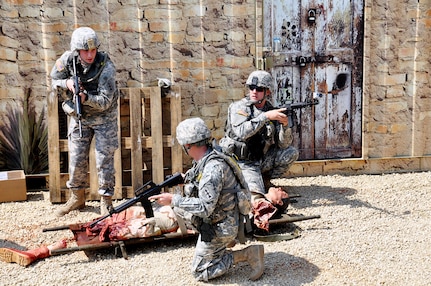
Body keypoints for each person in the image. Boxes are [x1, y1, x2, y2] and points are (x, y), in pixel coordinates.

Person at [149, 117, 264, 282]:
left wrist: (173, 199)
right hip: (224, 215)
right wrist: (184, 178)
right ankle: (219, 247)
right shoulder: (211, 153)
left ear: (187, 146)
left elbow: (204, 208)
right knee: (181, 209)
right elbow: (199, 176)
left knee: (201, 272)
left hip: (222, 225)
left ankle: (246, 254)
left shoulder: (212, 169)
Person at [50, 27, 119, 216]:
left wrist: (85, 98)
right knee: (76, 157)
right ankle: (77, 197)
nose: (90, 55)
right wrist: (68, 84)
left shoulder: (106, 67)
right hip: (79, 117)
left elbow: (105, 102)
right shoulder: (67, 60)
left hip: (104, 117)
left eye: (93, 50)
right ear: (76, 51)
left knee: (104, 159)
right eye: (85, 51)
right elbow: (53, 79)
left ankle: (106, 200)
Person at [219, 70, 299, 217]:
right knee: (255, 198)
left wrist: (285, 126)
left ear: (267, 91)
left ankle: (264, 179)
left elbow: (283, 145)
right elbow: (242, 132)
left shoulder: (271, 110)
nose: (254, 91)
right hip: (239, 161)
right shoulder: (240, 108)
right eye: (251, 87)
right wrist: (265, 117)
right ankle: (252, 184)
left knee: (291, 153)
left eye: (259, 89)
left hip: (258, 159)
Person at [0, 205, 179, 267]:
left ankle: (43, 251)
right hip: (167, 209)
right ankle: (48, 248)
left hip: (176, 218)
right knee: (115, 217)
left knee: (126, 228)